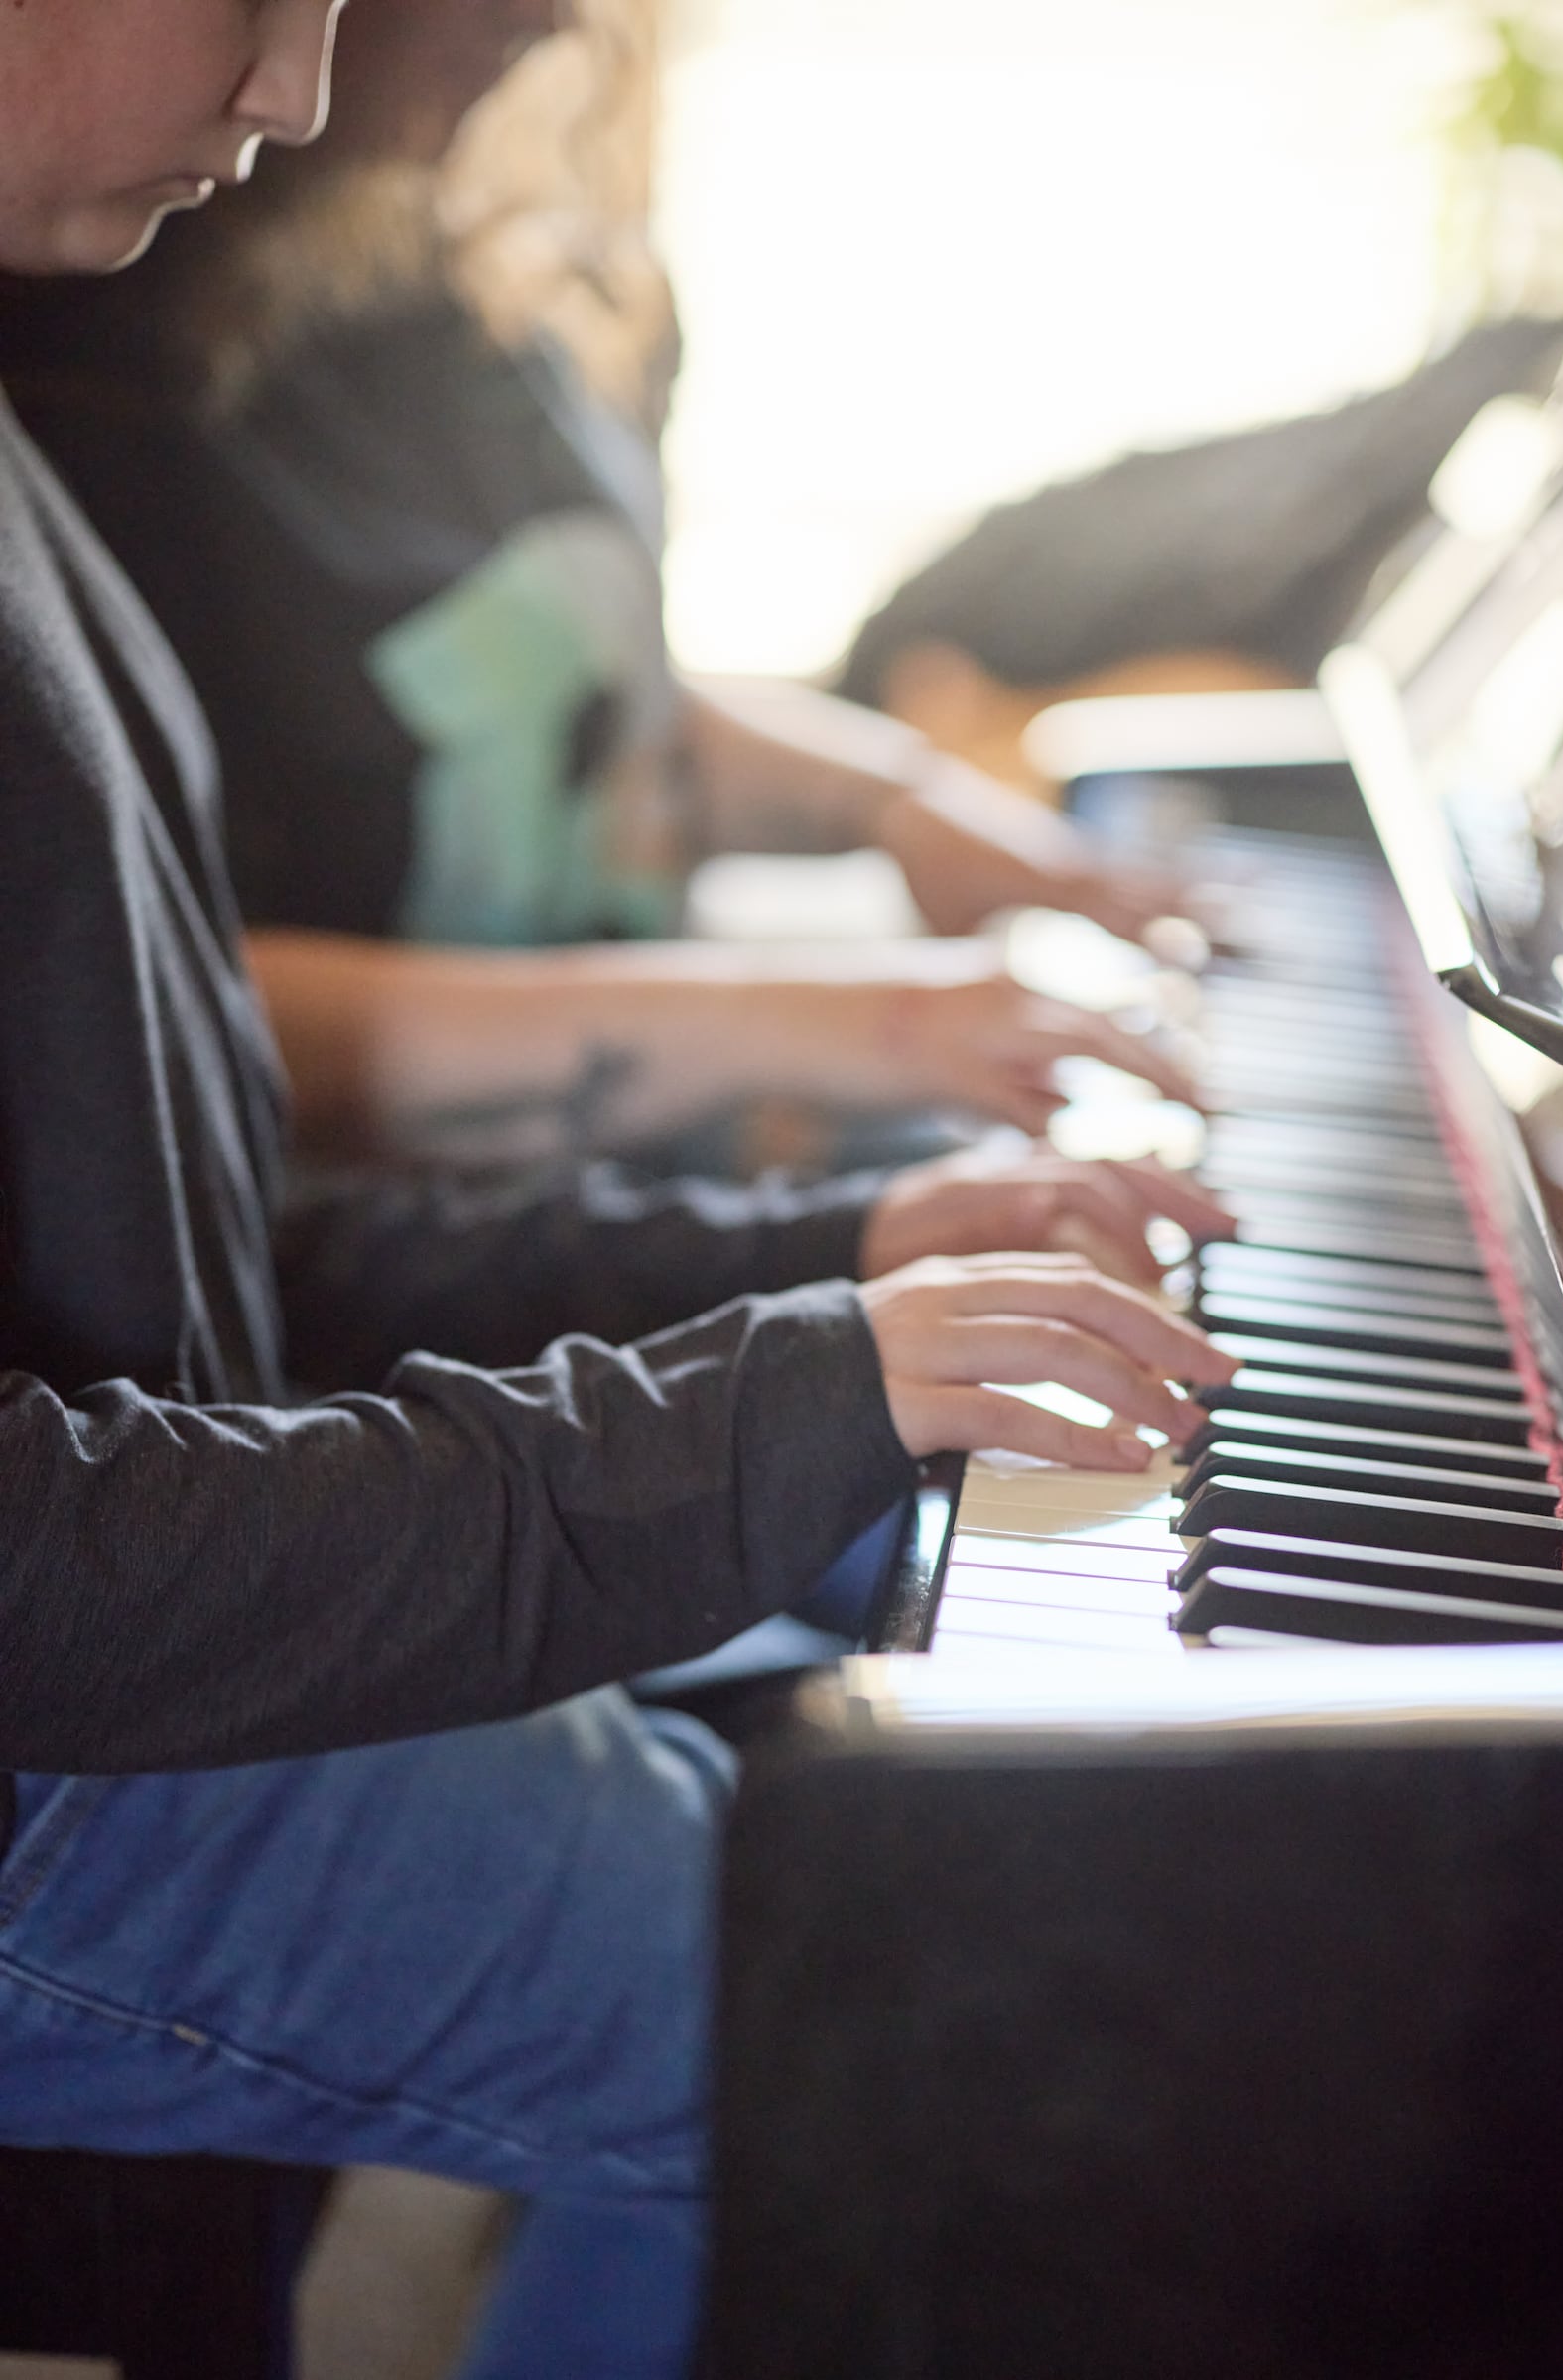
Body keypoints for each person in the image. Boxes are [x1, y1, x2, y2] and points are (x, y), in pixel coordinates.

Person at [0, 4, 1237, 2374]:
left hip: (142, 1605)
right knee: (945, 2012)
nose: (297, 87)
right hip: (71, 1719)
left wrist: (824, 1256)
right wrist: (771, 1392)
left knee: (882, 1835)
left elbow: (193, 1230)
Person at [0, 0, 1198, 1171]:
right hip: (403, 1273)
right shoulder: (80, 365)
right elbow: (138, 1010)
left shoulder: (423, 269)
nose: (561, 19)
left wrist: (891, 803)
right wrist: (792, 1020)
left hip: (604, 1203)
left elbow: (545, 710)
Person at [838, 314, 1563, 790]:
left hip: (1432, 480)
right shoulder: (976, 602)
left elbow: (1251, 703)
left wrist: (1038, 747)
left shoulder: (984, 640)